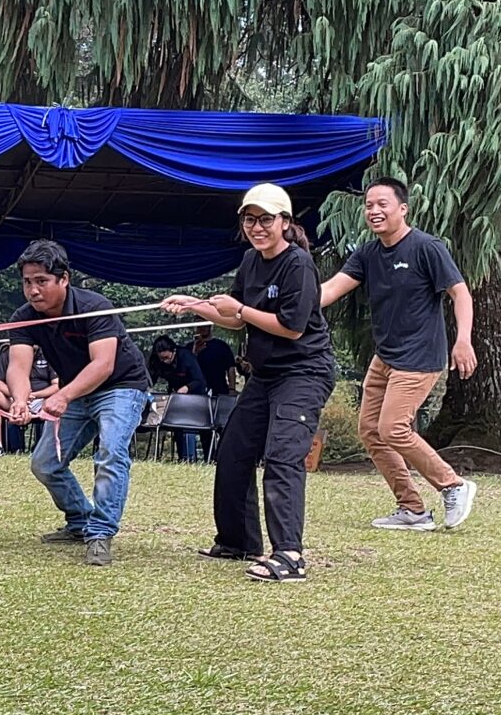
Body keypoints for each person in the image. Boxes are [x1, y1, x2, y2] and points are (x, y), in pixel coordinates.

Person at [165, 183, 336, 582]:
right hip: (267, 373)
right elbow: (234, 319)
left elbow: (292, 327)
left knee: (282, 455)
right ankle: (238, 541)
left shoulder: (298, 265)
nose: (257, 227)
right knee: (233, 452)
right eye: (249, 219)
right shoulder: (250, 260)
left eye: (265, 219)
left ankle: (289, 555)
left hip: (304, 372)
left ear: (285, 222)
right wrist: (194, 305)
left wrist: (240, 309)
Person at [318, 176, 480, 532]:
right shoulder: (368, 253)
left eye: (382, 204)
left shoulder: (426, 247)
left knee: (392, 427)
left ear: (402, 209)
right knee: (371, 431)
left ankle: (453, 484)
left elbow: (460, 293)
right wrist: (288, 305)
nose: (374, 211)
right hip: (386, 357)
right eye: (369, 205)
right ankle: (412, 509)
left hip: (420, 356)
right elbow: (330, 290)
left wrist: (463, 340)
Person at [1, 240, 151, 567]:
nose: (33, 290)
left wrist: (63, 395)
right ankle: (81, 521)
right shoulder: (24, 317)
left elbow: (103, 365)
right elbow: (18, 367)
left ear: (64, 279)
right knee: (45, 464)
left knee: (110, 453)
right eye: (27, 282)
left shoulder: (94, 306)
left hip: (121, 386)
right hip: (75, 391)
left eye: (42, 281)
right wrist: (21, 400)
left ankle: (100, 533)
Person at [149, 335, 212, 461]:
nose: (164, 361)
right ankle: (184, 458)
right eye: (161, 358)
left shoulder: (186, 357)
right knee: (178, 428)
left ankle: (209, 459)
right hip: (176, 398)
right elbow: (151, 378)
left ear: (174, 351)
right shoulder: (156, 361)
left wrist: (186, 388)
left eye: (167, 358)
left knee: (204, 433)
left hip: (197, 396)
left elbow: (200, 380)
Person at [188, 324, 239, 394]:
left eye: (204, 324)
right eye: (198, 325)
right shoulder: (189, 348)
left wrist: (232, 389)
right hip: (195, 392)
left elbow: (231, 368)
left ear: (210, 326)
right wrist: (194, 353)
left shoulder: (222, 346)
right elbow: (185, 369)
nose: (202, 327)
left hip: (220, 390)